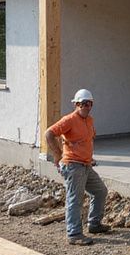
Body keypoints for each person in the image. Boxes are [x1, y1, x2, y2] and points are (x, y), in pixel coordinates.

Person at [45, 88, 111, 246]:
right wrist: (57, 154)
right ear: (76, 104)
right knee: (75, 199)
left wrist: (90, 157)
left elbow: (85, 141)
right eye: (83, 103)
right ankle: (74, 234)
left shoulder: (89, 120)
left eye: (89, 103)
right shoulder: (69, 120)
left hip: (86, 165)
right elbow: (49, 133)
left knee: (100, 191)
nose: (86, 106)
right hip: (73, 166)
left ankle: (94, 224)